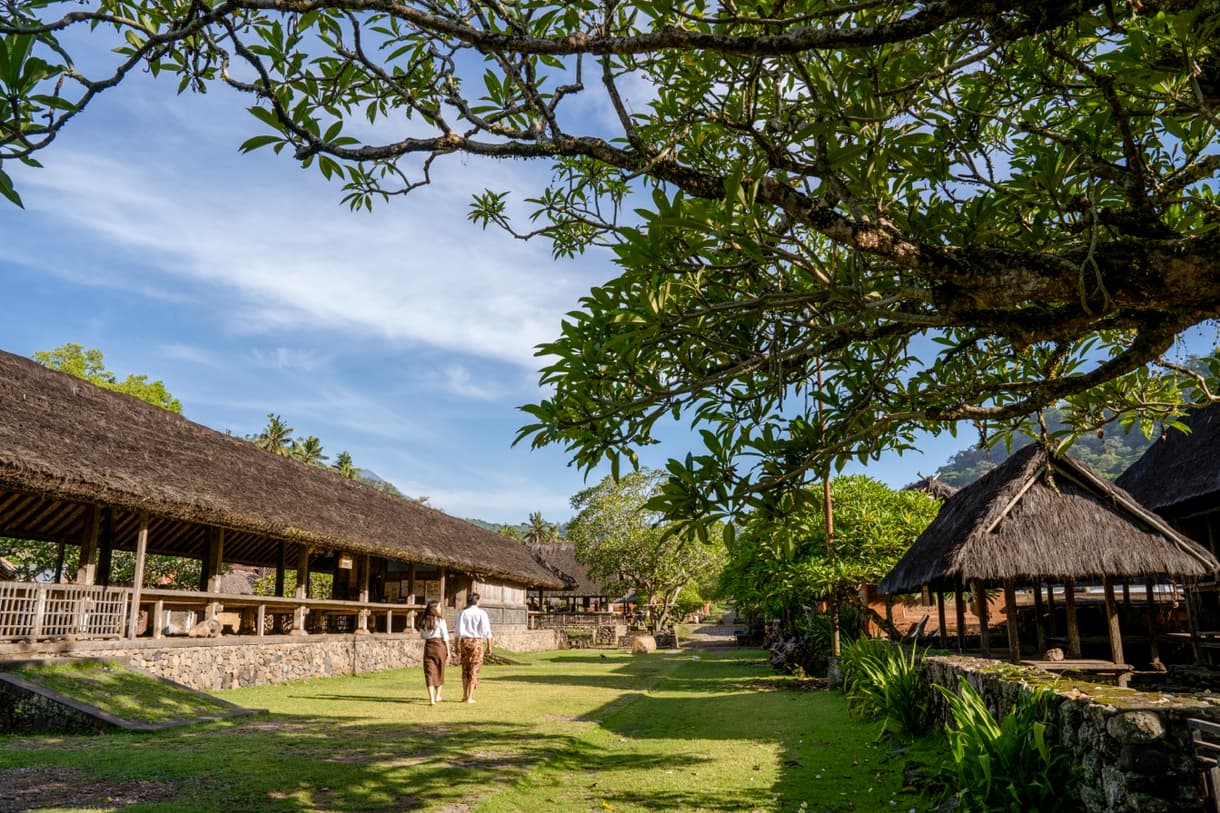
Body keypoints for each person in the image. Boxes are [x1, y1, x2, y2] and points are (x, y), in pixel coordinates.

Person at [454, 592, 492, 703]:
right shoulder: (482, 613)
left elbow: (458, 630)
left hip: (465, 642)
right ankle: (470, 697)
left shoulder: (463, 613)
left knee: (465, 668)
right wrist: (489, 646)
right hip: (477, 642)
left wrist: (456, 645)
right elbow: (487, 631)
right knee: (474, 669)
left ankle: (464, 695)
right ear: (477, 601)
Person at [419, 600, 449, 705]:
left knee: (429, 672)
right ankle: (438, 695)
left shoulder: (423, 621)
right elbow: (445, 637)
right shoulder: (440, 621)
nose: (440, 609)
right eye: (439, 607)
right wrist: (448, 650)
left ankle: (431, 699)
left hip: (429, 646)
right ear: (434, 609)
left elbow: (422, 636)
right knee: (440, 669)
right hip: (440, 646)